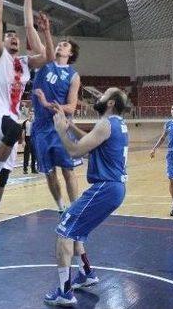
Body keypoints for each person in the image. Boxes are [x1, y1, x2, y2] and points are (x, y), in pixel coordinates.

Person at [0, 0, 52, 253]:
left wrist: (29, 0)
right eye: (10, 36)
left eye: (16, 37)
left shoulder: (24, 63)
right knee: (15, 130)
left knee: (2, 182)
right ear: (2, 41)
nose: (14, 38)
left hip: (9, 117)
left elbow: (47, 57)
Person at [44, 88, 130, 306]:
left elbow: (75, 151)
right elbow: (95, 142)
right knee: (76, 232)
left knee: (64, 231)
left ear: (110, 103)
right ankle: (86, 273)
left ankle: (64, 292)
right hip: (114, 188)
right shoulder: (118, 124)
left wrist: (61, 130)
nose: (98, 96)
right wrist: (71, 125)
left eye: (104, 95)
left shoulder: (106, 124)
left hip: (105, 188)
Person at [31, 31, 82, 213]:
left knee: (68, 171)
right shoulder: (45, 63)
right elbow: (32, 34)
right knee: (49, 172)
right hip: (40, 128)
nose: (60, 46)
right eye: (59, 44)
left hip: (61, 127)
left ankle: (75, 210)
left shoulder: (73, 76)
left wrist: (48, 104)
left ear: (71, 54)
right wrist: (45, 30)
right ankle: (61, 208)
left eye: (65, 45)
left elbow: (71, 107)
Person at [21, 110, 36, 174]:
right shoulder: (25, 122)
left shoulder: (35, 122)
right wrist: (23, 141)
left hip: (34, 139)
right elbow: (23, 132)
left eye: (32, 114)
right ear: (28, 115)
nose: (31, 115)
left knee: (34, 155)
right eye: (30, 114)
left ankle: (33, 169)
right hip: (28, 139)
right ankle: (25, 169)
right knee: (26, 155)